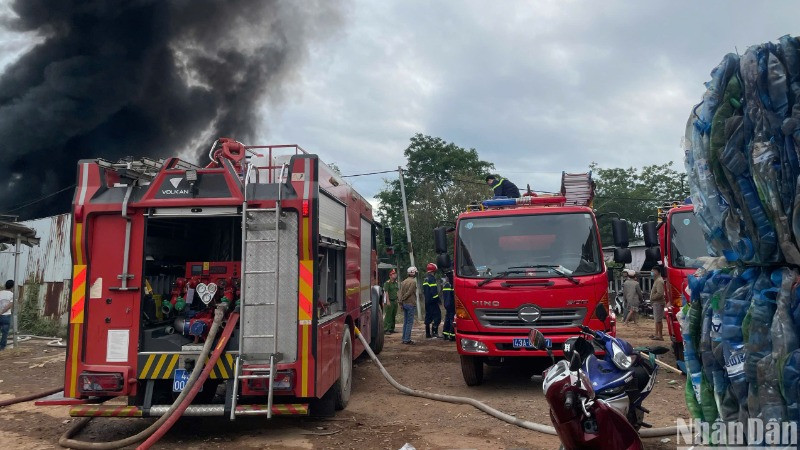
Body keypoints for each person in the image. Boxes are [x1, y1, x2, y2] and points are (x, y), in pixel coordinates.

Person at [398, 266, 419, 345]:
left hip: (405, 304)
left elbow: (400, 292)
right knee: (409, 322)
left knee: (405, 322)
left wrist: (401, 301)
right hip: (410, 304)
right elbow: (409, 293)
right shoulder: (413, 282)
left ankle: (404, 338)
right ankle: (407, 339)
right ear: (413, 273)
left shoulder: (404, 281)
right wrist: (403, 299)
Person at [422, 263, 442, 339]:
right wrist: (438, 299)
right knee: (437, 316)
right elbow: (434, 291)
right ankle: (434, 332)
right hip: (433, 301)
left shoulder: (425, 279)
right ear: (434, 271)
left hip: (427, 301)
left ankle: (427, 333)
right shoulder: (432, 279)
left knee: (428, 316)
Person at [649, 265, 666, 340]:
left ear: (657, 272)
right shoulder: (657, 280)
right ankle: (657, 334)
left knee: (658, 320)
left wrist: (652, 298)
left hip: (658, 302)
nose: (652, 273)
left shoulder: (659, 281)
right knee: (657, 320)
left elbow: (660, 293)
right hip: (656, 302)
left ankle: (660, 336)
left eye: (653, 271)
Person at [382, 269, 399, 334]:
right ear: (390, 275)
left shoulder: (396, 283)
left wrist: (398, 299)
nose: (395, 275)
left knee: (393, 315)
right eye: (393, 274)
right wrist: (388, 301)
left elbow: (397, 292)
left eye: (395, 274)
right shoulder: (387, 283)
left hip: (395, 301)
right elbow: (386, 292)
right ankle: (386, 329)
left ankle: (392, 328)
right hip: (390, 301)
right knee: (388, 315)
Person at [0, 280, 14, 351]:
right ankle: (2, 347)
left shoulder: (0, 293)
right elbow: (9, 305)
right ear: (12, 286)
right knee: (4, 333)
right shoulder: (12, 295)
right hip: (6, 315)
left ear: (5, 285)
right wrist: (2, 312)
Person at [441, 277, 455, 341]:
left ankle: (445, 334)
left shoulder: (445, 285)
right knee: (452, 319)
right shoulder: (452, 285)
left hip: (447, 305)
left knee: (447, 319)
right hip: (452, 305)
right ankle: (452, 335)